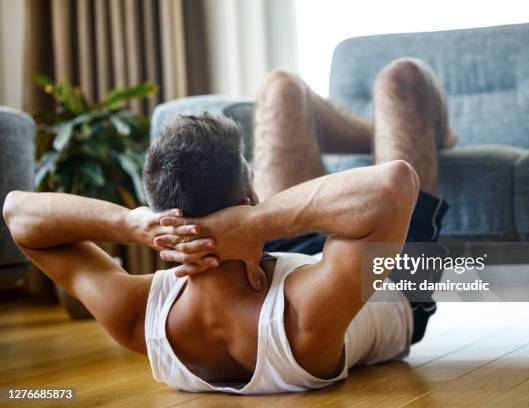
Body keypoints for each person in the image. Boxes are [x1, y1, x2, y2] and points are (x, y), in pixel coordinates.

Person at [3, 58, 451, 394]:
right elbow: (394, 184)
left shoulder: (140, 315)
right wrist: (255, 222)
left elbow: (17, 212)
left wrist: (130, 223)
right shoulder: (303, 318)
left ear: (161, 210)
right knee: (402, 79)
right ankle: (416, 130)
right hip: (373, 270)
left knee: (280, 87)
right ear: (248, 196)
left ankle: (370, 132)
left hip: (279, 248)